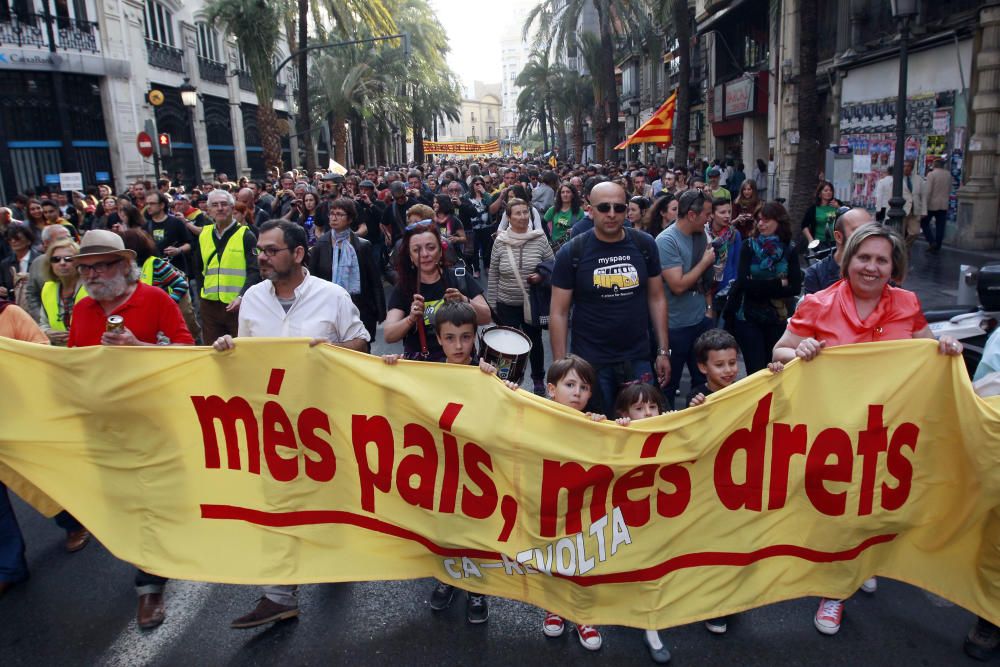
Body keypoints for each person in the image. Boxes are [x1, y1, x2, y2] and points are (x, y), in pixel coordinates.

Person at [771, 223, 963, 636]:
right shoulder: (819, 303)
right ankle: (835, 591)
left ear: (894, 267)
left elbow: (927, 350)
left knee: (876, 504)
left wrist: (945, 348)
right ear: (847, 259)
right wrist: (798, 350)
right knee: (840, 508)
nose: (872, 267)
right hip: (834, 433)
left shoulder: (907, 303)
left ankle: (863, 561)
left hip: (888, 431)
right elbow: (780, 351)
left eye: (882, 260)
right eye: (864, 257)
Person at [211, 219, 368, 629]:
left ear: (298, 255)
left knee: (328, 498)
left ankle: (335, 555)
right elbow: (245, 355)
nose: (260, 257)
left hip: (325, 422)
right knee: (277, 505)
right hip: (272, 423)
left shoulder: (332, 296)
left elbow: (361, 342)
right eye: (259, 250)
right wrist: (228, 349)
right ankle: (279, 595)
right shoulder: (252, 299)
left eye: (270, 250)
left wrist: (332, 349)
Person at [67, 229, 194, 629]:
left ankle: (149, 585)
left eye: (100, 266)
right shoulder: (83, 309)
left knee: (150, 504)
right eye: (84, 268)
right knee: (121, 503)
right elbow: (74, 365)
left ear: (124, 265)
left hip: (154, 422)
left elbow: (188, 353)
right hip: (104, 426)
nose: (91, 275)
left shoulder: (154, 299)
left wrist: (139, 345)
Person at [383, 302, 513, 624]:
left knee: (475, 529)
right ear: (438, 340)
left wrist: (501, 385)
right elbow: (393, 398)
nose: (458, 346)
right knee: (445, 528)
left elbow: (509, 410)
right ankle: (448, 577)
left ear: (475, 338)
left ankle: (476, 588)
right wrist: (389, 368)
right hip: (441, 466)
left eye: (466, 338)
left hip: (478, 469)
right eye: (450, 338)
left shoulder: (486, 374)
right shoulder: (428, 372)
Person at [550, 181, 671, 416]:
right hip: (591, 362)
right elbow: (559, 312)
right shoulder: (572, 252)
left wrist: (663, 351)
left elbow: (657, 298)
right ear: (590, 209)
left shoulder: (644, 244)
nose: (612, 214)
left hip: (637, 357)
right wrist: (561, 368)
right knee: (596, 430)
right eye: (604, 207)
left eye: (619, 208)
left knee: (642, 427)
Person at [539, 355, 605, 651]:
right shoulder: (534, 416)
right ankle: (555, 607)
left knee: (583, 557)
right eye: (570, 384)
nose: (577, 392)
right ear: (551, 389)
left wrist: (616, 428)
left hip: (584, 506)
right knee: (552, 556)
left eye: (584, 387)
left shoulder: (595, 423)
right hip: (548, 503)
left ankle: (582, 614)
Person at [610, 382, 672, 664]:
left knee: (651, 567)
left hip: (658, 518)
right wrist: (617, 432)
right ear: (624, 413)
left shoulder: (673, 431)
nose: (647, 414)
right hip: (623, 518)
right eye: (638, 408)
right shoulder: (617, 434)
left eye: (652, 407)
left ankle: (650, 625)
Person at [383, 222, 490, 361]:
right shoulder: (404, 287)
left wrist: (465, 301)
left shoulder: (459, 277)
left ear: (440, 251)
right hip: (425, 368)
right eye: (417, 250)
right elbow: (389, 334)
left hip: (461, 364)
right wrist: (410, 319)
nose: (425, 254)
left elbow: (486, 317)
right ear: (410, 256)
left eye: (431, 247)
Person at [0, 299, 49, 599]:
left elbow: (41, 351)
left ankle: (72, 521)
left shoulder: (10, 314)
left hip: (20, 419)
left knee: (40, 480)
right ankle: (9, 566)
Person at [724, 201, 802, 373]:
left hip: (777, 318)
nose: (760, 224)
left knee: (775, 368)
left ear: (778, 222)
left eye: (766, 220)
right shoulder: (749, 246)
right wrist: (778, 283)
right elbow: (744, 284)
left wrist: (759, 285)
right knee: (756, 370)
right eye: (758, 219)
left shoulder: (789, 249)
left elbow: (795, 287)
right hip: (748, 316)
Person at [487, 198, 554, 395]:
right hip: (506, 302)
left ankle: (538, 380)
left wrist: (541, 276)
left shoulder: (539, 239)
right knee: (507, 344)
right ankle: (507, 380)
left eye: (526, 212)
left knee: (535, 342)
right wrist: (492, 305)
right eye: (518, 213)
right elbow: (493, 274)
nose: (523, 217)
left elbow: (553, 266)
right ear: (508, 218)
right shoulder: (500, 242)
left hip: (531, 304)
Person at [657, 189, 715, 408]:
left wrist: (709, 310)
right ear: (692, 215)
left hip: (700, 321)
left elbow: (706, 281)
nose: (709, 219)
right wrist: (705, 262)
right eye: (707, 214)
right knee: (668, 386)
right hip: (675, 327)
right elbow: (678, 285)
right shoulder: (666, 241)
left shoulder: (702, 235)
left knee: (705, 383)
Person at [308, 198, 385, 342]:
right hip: (328, 309)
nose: (334, 218)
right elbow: (312, 280)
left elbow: (373, 279)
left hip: (359, 307)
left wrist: (380, 310)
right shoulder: (320, 246)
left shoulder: (362, 246)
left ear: (350, 219)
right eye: (331, 214)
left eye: (339, 214)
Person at [196, 190, 260, 343]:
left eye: (224, 204)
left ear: (232, 208)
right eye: (215, 205)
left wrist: (241, 296)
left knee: (241, 350)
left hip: (236, 306)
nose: (220, 208)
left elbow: (254, 271)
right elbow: (198, 268)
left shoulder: (246, 235)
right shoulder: (203, 234)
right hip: (209, 304)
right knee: (214, 352)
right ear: (209, 210)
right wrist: (201, 294)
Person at [802, 207, 871, 295]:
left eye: (869, 231)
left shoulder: (879, 270)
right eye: (857, 231)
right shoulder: (817, 273)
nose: (866, 236)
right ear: (838, 237)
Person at [38, 239, 86, 345]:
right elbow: (43, 323)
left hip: (87, 351)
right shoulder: (48, 288)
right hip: (58, 353)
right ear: (50, 264)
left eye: (68, 259)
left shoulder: (91, 287)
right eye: (56, 259)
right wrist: (47, 333)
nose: (62, 263)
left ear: (79, 262)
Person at [705, 196, 742, 324]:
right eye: (722, 212)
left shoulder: (734, 235)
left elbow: (737, 263)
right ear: (712, 214)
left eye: (729, 212)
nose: (727, 216)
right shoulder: (704, 234)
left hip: (727, 288)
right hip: (707, 288)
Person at [0, 224, 40, 306]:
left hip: (37, 306)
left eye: (17, 239)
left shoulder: (40, 260)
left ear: (28, 241)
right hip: (14, 308)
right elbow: (3, 284)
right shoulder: (5, 263)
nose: (13, 241)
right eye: (10, 239)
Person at [543, 183, 585, 248]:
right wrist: (548, 239)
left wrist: (575, 230)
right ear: (560, 195)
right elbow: (543, 223)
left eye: (568, 192)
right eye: (562, 192)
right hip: (556, 247)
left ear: (573, 195)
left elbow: (584, 228)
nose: (565, 195)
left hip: (573, 246)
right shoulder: (553, 210)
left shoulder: (579, 211)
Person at [923, 157, 951, 253]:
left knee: (924, 223)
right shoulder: (948, 175)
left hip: (932, 204)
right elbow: (949, 189)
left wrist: (924, 204)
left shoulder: (931, 174)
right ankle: (938, 245)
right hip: (943, 204)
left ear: (934, 165)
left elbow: (928, 191)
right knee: (940, 226)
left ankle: (931, 241)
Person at [800, 181, 841, 247]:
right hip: (819, 242)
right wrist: (810, 239)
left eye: (830, 190)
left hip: (835, 243)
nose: (829, 192)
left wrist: (838, 207)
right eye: (826, 190)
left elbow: (847, 215)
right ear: (820, 193)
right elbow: (804, 225)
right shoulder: (813, 209)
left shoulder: (836, 204)